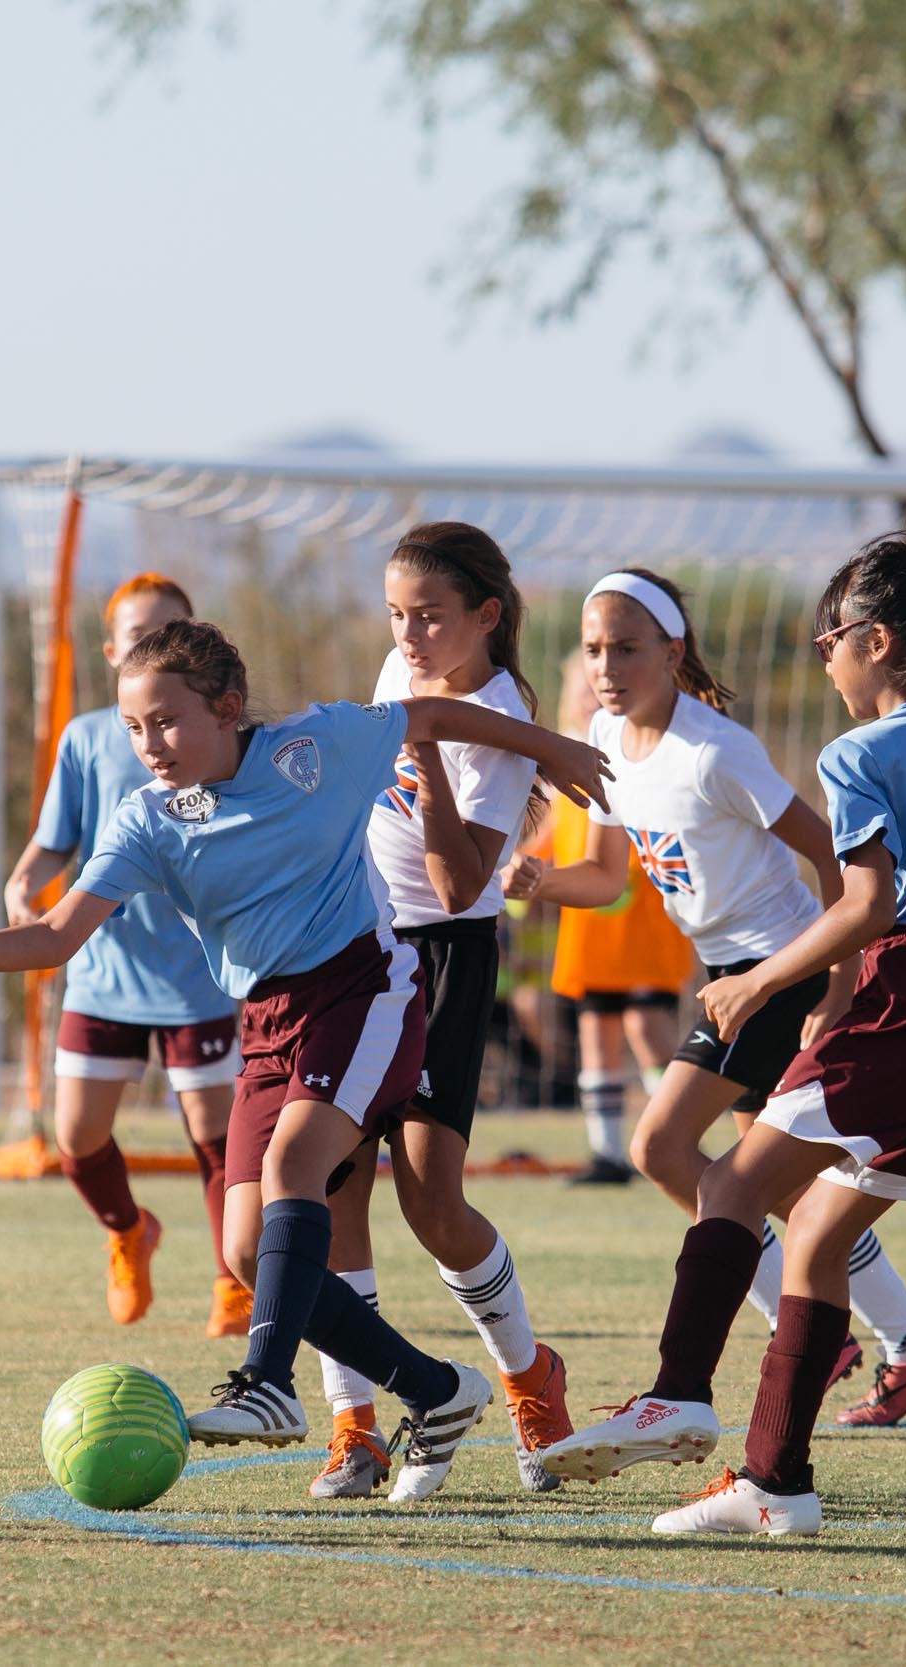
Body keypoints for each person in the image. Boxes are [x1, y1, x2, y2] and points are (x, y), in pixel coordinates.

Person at [0, 618, 611, 1501]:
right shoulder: (149, 820)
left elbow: (425, 715)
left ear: (229, 709)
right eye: (132, 727)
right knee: (246, 1251)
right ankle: (439, 1389)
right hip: (268, 1021)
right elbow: (54, 934)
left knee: (294, 1169)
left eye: (165, 720)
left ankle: (270, 1383)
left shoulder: (313, 750)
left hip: (365, 989)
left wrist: (556, 749)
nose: (147, 744)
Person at [538, 532, 906, 1537]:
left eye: (828, 637)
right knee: (817, 1234)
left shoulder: (856, 752)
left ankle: (676, 1390)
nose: (821, 656)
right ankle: (776, 1481)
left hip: (905, 983)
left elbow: (863, 902)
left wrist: (762, 985)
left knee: (733, 1184)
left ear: (870, 641)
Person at [504, 567, 906, 1420]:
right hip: (731, 979)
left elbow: (832, 854)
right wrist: (539, 879)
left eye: (628, 648)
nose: (606, 666)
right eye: (594, 648)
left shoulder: (715, 749)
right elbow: (606, 878)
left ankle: (815, 1336)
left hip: (774, 972)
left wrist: (837, 983)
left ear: (673, 652)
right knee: (789, 1194)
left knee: (661, 1147)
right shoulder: (607, 734)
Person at [310, 523, 575, 1503]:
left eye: (429, 615)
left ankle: (527, 1380)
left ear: (485, 616)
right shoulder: (397, 670)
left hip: (445, 956)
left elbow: (466, 884)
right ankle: (354, 1426)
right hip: (356, 949)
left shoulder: (497, 710)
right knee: (330, 1180)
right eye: (395, 614)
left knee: (431, 1200)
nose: (409, 633)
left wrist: (424, 783)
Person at [3, 574, 249, 1337]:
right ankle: (128, 1229)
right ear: (111, 653)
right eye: (136, 639)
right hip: (103, 973)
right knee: (76, 1136)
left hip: (197, 975)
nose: (150, 649)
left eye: (167, 635)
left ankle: (233, 1282)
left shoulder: (214, 736)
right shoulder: (85, 739)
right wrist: (24, 884)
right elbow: (56, 840)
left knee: (215, 1136)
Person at [535, 654, 694, 1187]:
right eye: (578, 689)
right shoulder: (562, 767)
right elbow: (558, 836)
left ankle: (674, 1136)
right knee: (596, 1032)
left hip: (643, 925)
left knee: (647, 1026)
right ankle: (607, 1154)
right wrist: (528, 867)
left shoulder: (636, 754)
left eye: (595, 690)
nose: (587, 698)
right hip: (591, 929)